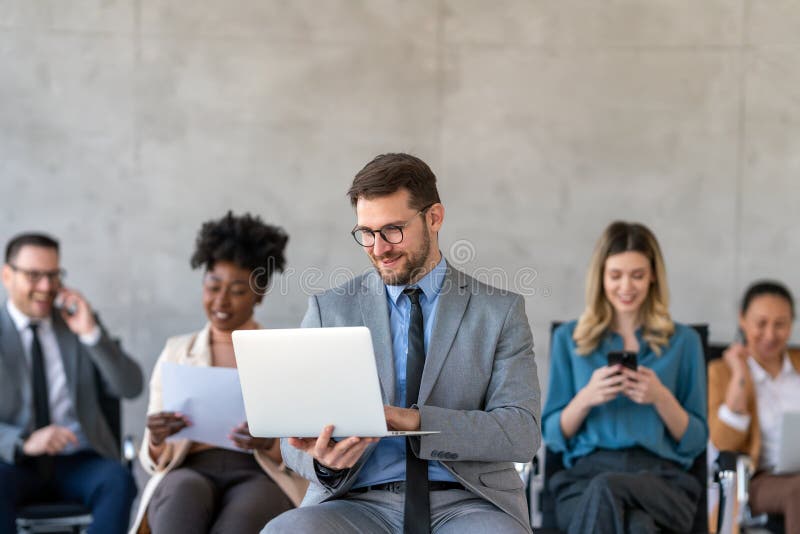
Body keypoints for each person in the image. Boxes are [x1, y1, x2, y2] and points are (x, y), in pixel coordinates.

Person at [263, 153, 540, 534]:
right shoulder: (329, 310)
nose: (379, 248)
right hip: (356, 501)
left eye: (393, 230)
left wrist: (417, 420)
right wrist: (324, 462)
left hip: (468, 502)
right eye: (367, 233)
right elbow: (293, 436)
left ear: (434, 218)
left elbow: (521, 432)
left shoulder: (499, 312)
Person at [130, 212, 308, 534]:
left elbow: (305, 447)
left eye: (237, 291)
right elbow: (154, 458)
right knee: (181, 496)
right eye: (213, 287)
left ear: (259, 294)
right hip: (189, 468)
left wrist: (270, 442)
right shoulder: (176, 352)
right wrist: (156, 438)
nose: (221, 301)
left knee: (247, 513)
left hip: (259, 472)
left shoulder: (281, 353)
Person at [541, 221, 707, 534]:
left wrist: (661, 397)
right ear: (601, 277)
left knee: (609, 488)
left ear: (653, 275)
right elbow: (552, 436)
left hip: (662, 482)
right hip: (585, 479)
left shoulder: (685, 342)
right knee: (637, 525)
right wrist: (586, 398)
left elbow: (696, 442)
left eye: (637, 275)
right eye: (615, 275)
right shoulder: (570, 339)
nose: (626, 286)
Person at [0, 232, 143, 534]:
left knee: (117, 480)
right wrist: (24, 442)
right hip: (13, 462)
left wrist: (91, 335)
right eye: (34, 276)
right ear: (7, 275)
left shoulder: (77, 326)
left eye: (53, 275)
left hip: (78, 460)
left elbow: (131, 387)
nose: (46, 287)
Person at [708, 280, 799, 531]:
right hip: (760, 479)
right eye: (761, 323)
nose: (770, 335)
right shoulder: (722, 372)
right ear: (742, 319)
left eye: (780, 324)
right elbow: (723, 443)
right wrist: (739, 375)